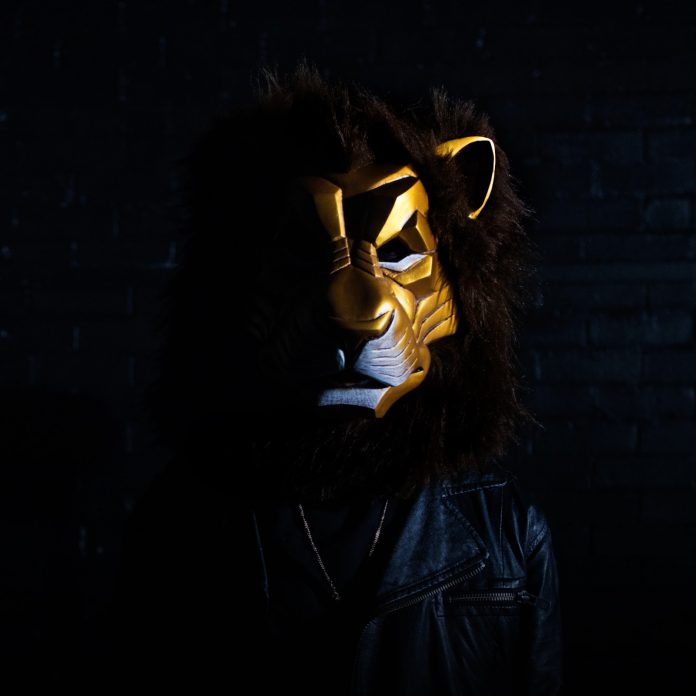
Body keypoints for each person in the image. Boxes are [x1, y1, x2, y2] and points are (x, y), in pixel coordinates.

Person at [110, 66, 562, 694]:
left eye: (398, 252)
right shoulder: (181, 524)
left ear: (463, 284)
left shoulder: (507, 529)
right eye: (303, 253)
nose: (354, 307)